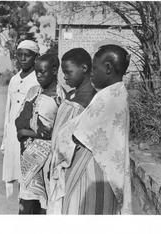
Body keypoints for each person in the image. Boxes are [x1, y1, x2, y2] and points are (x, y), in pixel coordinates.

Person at [48, 43, 132, 215]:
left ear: (108, 68)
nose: (92, 72)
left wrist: (62, 135)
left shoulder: (109, 98)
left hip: (96, 171)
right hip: (101, 167)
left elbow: (76, 132)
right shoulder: (113, 93)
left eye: (95, 68)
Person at [15, 54, 67, 214]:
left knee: (45, 204)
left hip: (47, 159)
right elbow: (19, 121)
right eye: (36, 72)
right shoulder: (33, 91)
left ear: (54, 70)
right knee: (28, 202)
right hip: (27, 155)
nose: (38, 76)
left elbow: (61, 132)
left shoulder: (61, 97)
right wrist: (32, 130)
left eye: (42, 72)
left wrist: (27, 131)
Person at [47, 48, 96, 214]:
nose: (65, 77)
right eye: (63, 73)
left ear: (84, 69)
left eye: (68, 72)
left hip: (73, 163)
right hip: (58, 161)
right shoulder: (71, 95)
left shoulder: (90, 100)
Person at [1, 40, 39, 198]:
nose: (23, 58)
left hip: (29, 133)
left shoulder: (39, 78)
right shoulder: (14, 79)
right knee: (15, 170)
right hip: (12, 133)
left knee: (30, 178)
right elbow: (8, 111)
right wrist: (5, 138)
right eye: (19, 55)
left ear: (35, 57)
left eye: (27, 55)